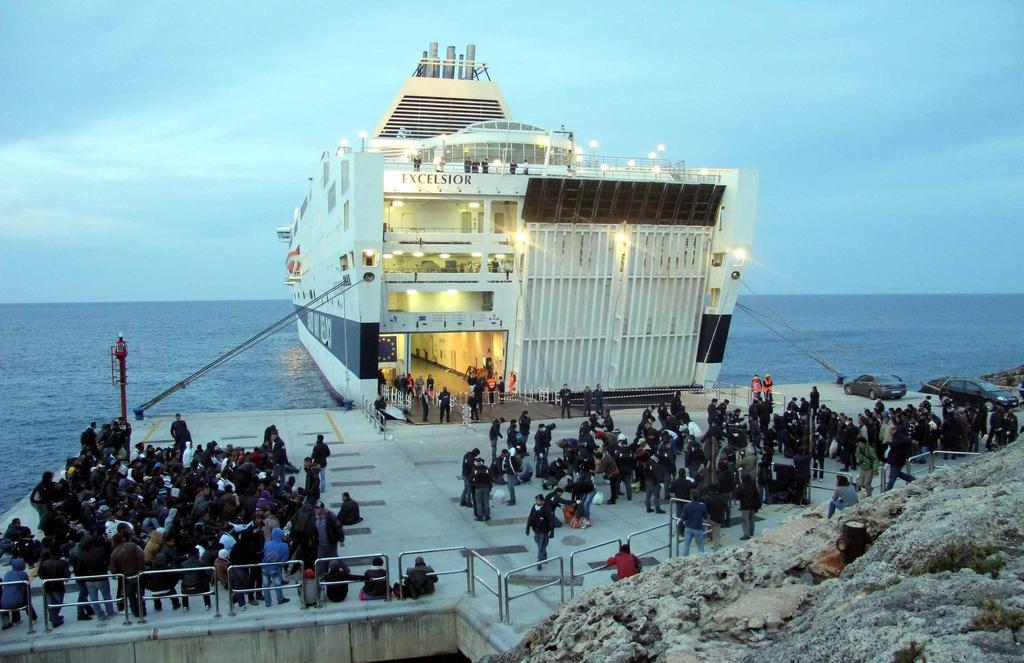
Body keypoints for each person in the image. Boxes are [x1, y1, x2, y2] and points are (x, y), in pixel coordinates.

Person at [38, 549, 70, 627]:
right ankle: (54, 618)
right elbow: (67, 574)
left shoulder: (45, 563)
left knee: (51, 602)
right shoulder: (63, 563)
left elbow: (40, 574)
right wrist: (65, 578)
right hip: (58, 585)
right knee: (58, 602)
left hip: (47, 585)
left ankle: (53, 617)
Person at [1, 558, 35, 629]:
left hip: (3, 602)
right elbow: (26, 589)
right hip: (17, 601)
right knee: (24, 599)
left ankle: (8, 622)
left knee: (13, 596)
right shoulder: (23, 574)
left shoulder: (7, 574)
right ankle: (33, 617)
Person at [261, 527, 291, 607]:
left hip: (264, 566)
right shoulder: (284, 546)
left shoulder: (267, 543)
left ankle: (268, 602)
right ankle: (280, 599)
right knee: (277, 584)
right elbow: (285, 560)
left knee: (266, 585)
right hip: (275, 567)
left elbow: (264, 554)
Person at [525, 494, 554, 569]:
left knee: (541, 545)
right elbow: (530, 517)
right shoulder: (534, 507)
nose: (537, 502)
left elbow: (551, 520)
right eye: (536, 500)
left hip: (544, 530)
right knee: (539, 544)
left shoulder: (547, 508)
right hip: (536, 529)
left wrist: (552, 530)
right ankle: (544, 557)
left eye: (538, 500)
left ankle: (539, 561)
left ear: (542, 501)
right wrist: (528, 527)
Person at [735, 472, 760, 540]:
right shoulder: (753, 484)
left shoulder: (742, 486)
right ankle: (751, 532)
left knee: (745, 520)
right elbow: (756, 494)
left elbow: (737, 496)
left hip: (745, 505)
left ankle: (746, 534)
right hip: (753, 504)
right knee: (752, 519)